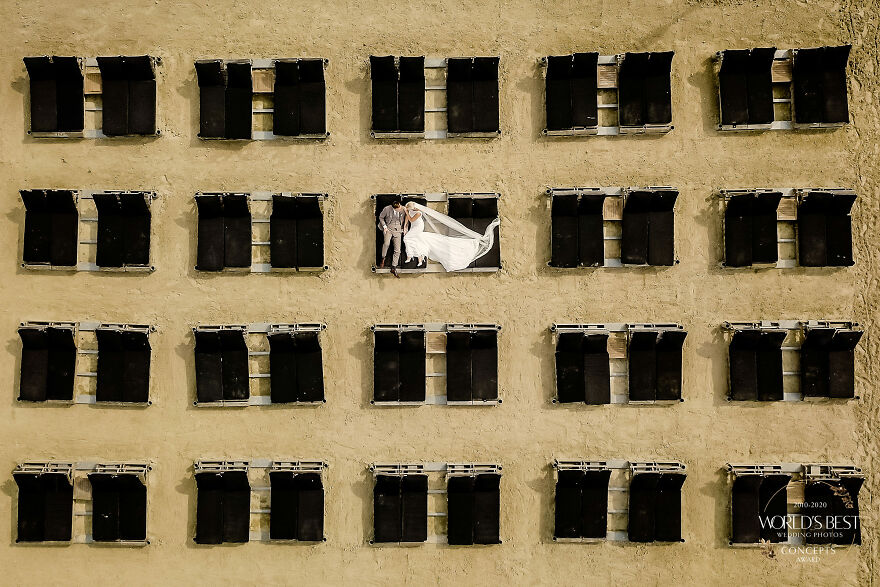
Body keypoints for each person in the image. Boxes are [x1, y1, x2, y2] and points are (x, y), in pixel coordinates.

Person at [402, 201, 500, 272]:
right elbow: (408, 218)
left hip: (418, 226)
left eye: (408, 209)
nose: (407, 210)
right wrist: (405, 226)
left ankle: (415, 255)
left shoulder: (418, 213)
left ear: (413, 208)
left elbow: (411, 219)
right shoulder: (411, 210)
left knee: (416, 238)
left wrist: (406, 213)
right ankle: (415, 256)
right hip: (414, 227)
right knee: (423, 239)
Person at [377, 198, 405, 277]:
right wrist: (385, 226)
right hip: (388, 228)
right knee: (386, 243)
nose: (398, 209)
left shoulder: (403, 209)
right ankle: (383, 258)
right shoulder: (387, 209)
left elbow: (408, 217)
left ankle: (393, 267)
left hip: (398, 230)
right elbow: (381, 217)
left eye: (399, 208)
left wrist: (404, 228)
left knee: (397, 250)